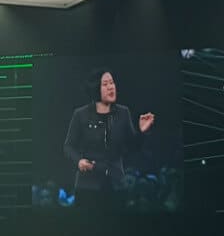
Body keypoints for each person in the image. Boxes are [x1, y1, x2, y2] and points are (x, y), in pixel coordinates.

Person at [63, 68, 155, 207]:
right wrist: (79, 161)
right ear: (95, 89)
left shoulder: (123, 113)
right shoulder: (80, 114)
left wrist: (143, 132)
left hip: (116, 186)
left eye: (112, 83)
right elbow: (68, 146)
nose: (111, 87)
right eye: (105, 84)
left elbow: (133, 147)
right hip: (88, 186)